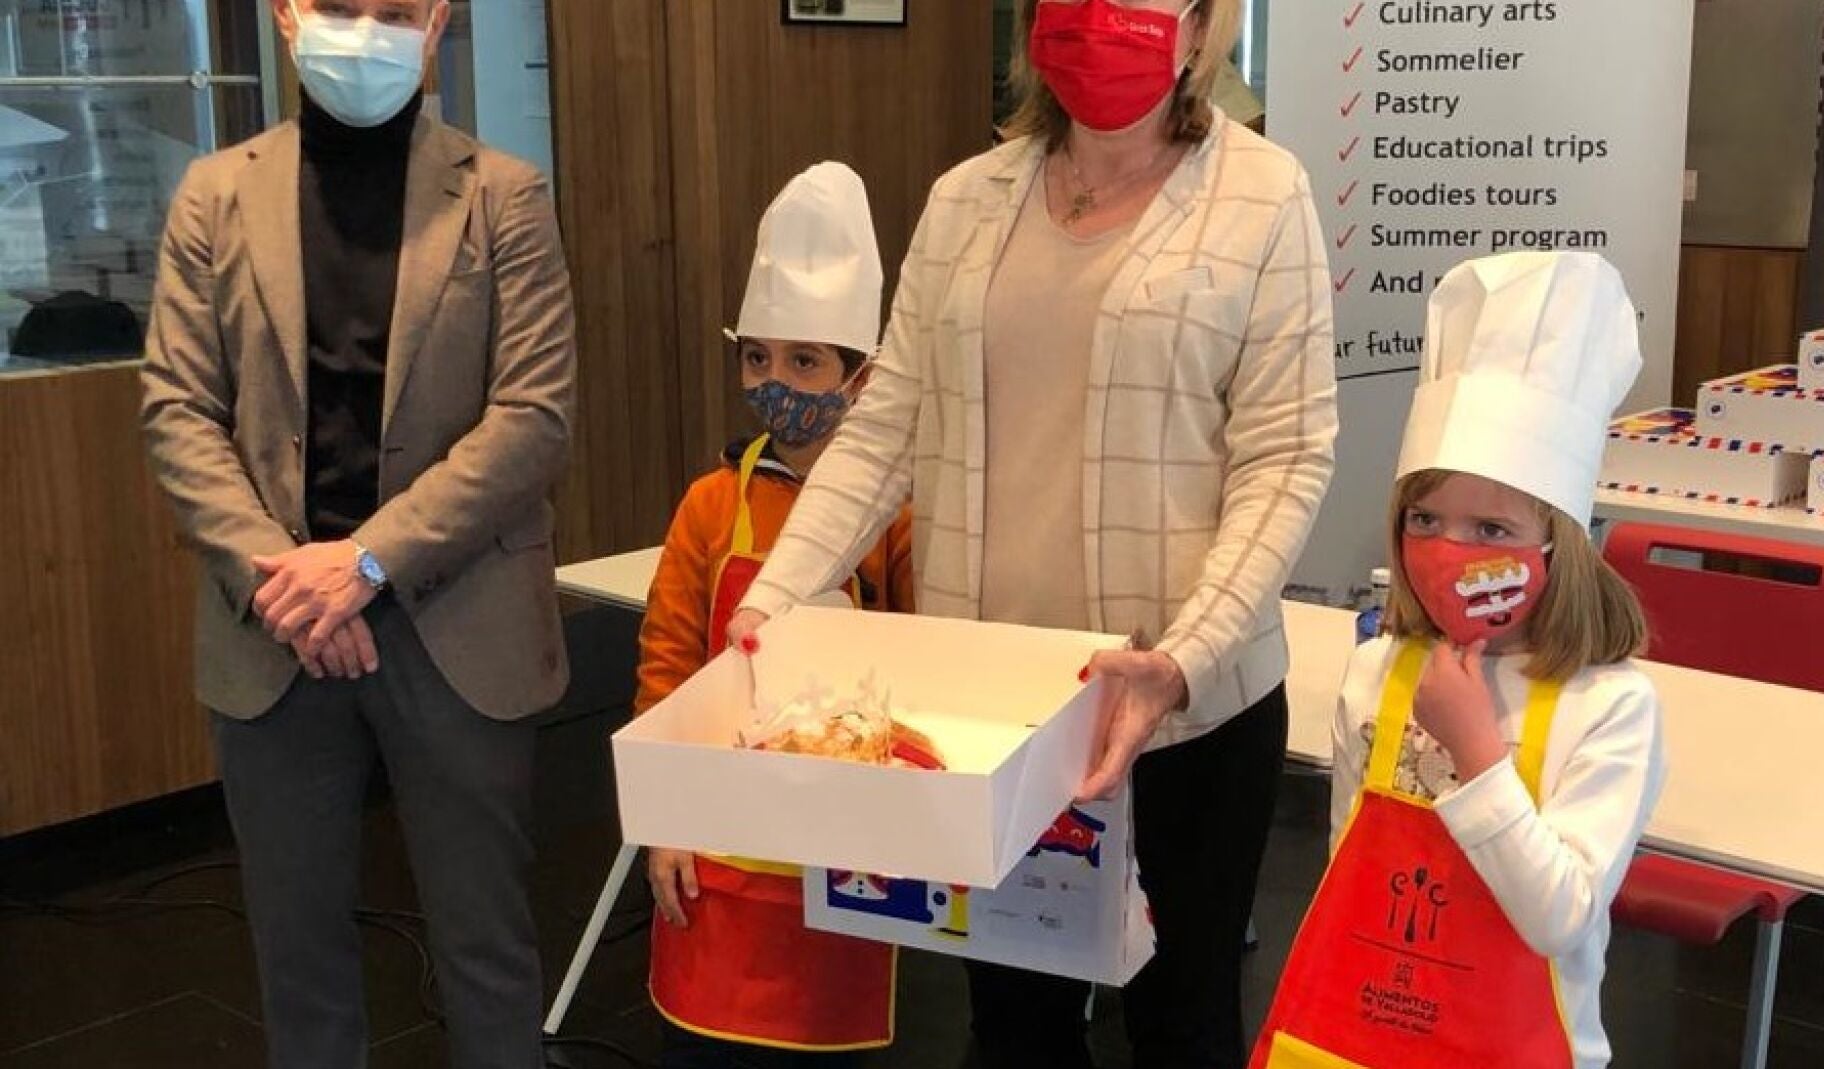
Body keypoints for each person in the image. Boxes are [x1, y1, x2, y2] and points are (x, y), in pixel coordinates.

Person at [730, 1, 1338, 1064]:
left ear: (1200, 25)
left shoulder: (1263, 195)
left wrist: (1183, 660)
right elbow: (885, 428)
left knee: (1182, 1019)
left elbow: (1284, 456)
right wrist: (773, 600)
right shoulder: (966, 200)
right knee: (1013, 1023)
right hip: (996, 713)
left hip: (1183, 715)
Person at [139, 1, 575, 1066]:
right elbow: (178, 409)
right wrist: (287, 581)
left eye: (394, 11)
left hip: (456, 615)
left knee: (486, 947)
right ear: (287, 14)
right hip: (275, 625)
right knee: (298, 957)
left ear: (436, 23)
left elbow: (533, 416)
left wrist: (368, 561)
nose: (365, 30)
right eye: (340, 6)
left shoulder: (504, 196)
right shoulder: (215, 195)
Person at [1250, 251, 1668, 1069]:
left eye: (1491, 530)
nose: (1449, 551)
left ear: (1559, 544)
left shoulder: (1609, 706)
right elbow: (1347, 867)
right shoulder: (1378, 670)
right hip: (1359, 1041)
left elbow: (1560, 917)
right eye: (1426, 519)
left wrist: (1477, 750)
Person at [637, 162, 914, 1068]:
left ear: (861, 378)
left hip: (847, 851)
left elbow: (924, 675)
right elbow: (666, 669)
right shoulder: (710, 504)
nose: (775, 380)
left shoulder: (897, 520)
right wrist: (663, 818)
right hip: (717, 849)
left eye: (804, 361)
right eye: (757, 358)